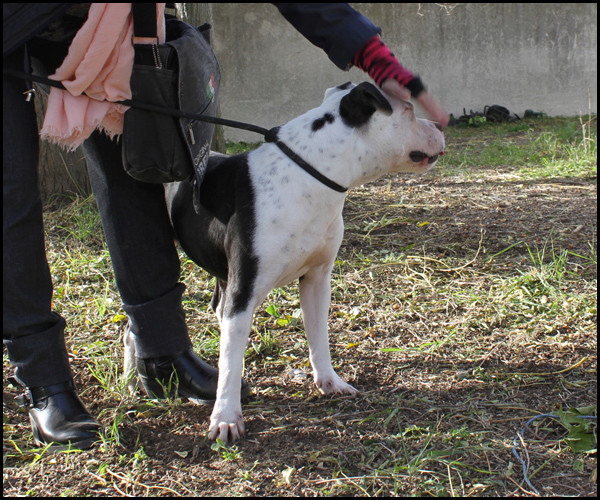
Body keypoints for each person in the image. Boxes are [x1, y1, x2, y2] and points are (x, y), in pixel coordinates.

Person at [3, 3, 449, 449]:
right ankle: (44, 382)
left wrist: (371, 52)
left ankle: (162, 354)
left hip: (105, 23)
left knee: (136, 175)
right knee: (10, 197)